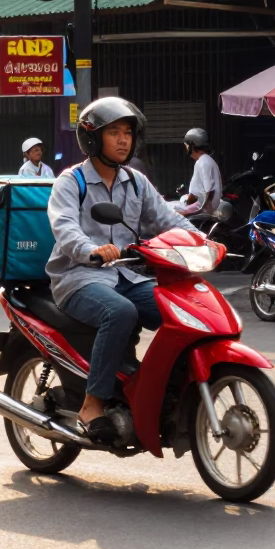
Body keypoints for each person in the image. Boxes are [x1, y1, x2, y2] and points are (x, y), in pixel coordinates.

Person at [46, 98, 195, 444]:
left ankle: (164, 391)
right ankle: (92, 403)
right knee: (120, 313)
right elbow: (65, 227)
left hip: (126, 275)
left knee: (182, 311)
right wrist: (90, 250)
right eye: (114, 132)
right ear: (93, 138)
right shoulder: (71, 182)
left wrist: (204, 242)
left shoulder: (136, 182)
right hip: (77, 277)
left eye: (127, 133)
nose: (123, 140)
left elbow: (167, 220)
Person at [177, 128, 223, 216]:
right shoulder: (206, 160)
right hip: (202, 204)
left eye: (186, 146)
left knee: (171, 210)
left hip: (203, 208)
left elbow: (209, 191)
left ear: (192, 146)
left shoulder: (203, 162)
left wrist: (198, 210)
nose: (186, 150)